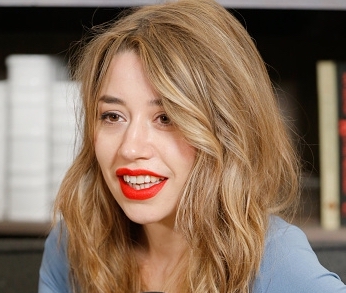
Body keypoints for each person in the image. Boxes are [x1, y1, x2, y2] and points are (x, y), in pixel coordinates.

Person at [38, 0, 346, 292]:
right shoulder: (72, 246)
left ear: (227, 129)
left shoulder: (277, 262)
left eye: (166, 118)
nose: (130, 149)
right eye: (113, 116)